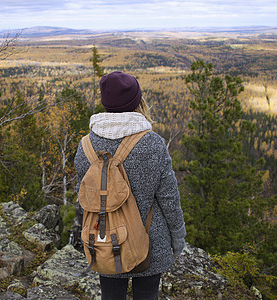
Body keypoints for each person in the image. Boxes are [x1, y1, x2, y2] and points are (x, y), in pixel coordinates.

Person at [74, 71, 186, 300]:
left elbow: (84, 201)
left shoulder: (85, 146)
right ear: (137, 101)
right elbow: (169, 199)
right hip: (149, 243)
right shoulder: (152, 144)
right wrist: (178, 238)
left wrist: (83, 234)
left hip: (105, 240)